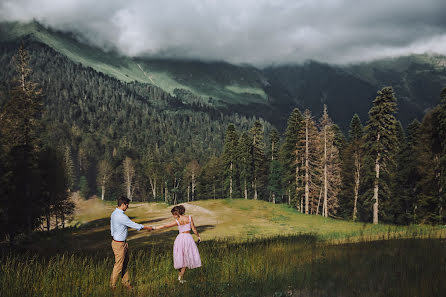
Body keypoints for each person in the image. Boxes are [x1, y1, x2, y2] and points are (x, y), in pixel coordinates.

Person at [110, 196, 152, 290]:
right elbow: (134, 225)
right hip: (119, 244)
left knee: (125, 263)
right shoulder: (121, 216)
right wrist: (147, 227)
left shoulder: (114, 213)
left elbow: (112, 228)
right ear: (123, 204)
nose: (128, 207)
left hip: (122, 242)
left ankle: (126, 283)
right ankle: (112, 286)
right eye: (127, 205)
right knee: (119, 265)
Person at [153, 205, 201, 283]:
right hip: (188, 238)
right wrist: (198, 237)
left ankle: (180, 277)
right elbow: (194, 229)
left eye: (173, 214)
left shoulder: (178, 221)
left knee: (181, 258)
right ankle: (180, 278)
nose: (173, 216)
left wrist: (155, 228)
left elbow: (166, 226)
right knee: (185, 258)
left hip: (180, 239)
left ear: (176, 213)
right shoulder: (189, 217)